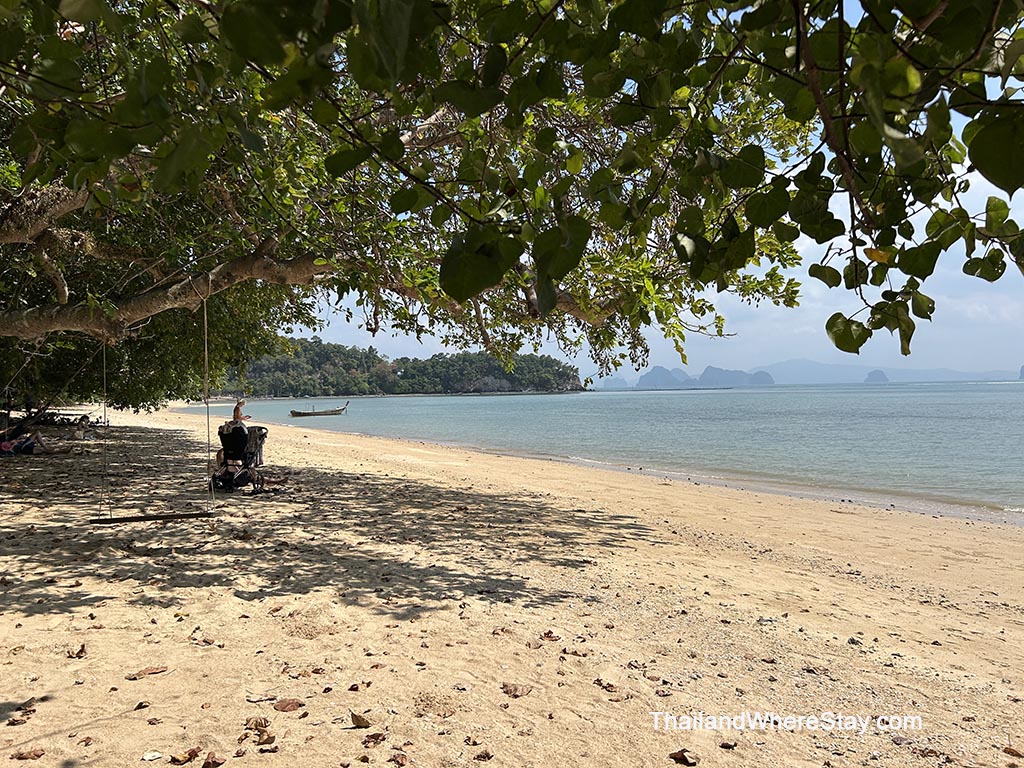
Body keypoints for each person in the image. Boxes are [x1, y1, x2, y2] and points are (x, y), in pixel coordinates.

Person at [0, 430, 72, 455]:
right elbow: (10, 450)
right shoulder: (3, 444)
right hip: (23, 449)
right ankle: (63, 451)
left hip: (23, 444)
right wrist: (13, 444)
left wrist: (15, 441)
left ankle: (62, 450)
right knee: (45, 450)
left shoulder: (8, 439)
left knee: (37, 433)